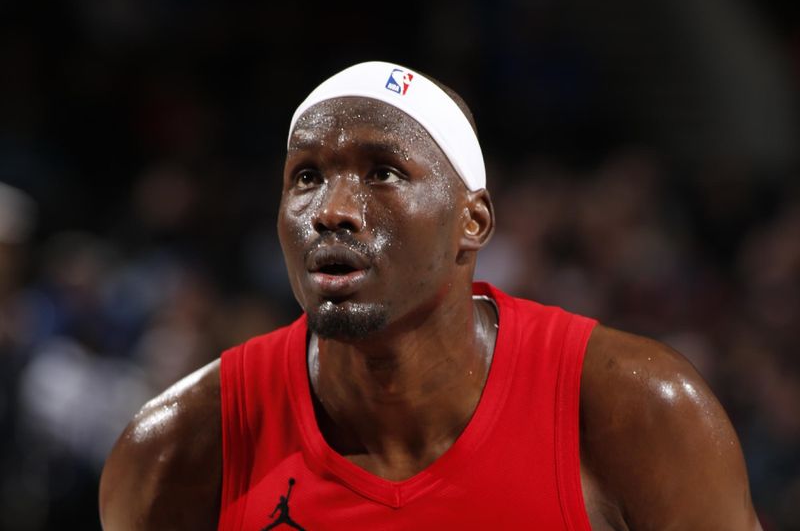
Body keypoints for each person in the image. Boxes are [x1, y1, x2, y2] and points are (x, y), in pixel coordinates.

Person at [99, 61, 762, 530]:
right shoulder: (179, 448)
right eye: (306, 177)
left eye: (382, 172)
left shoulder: (638, 412)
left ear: (472, 223)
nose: (332, 210)